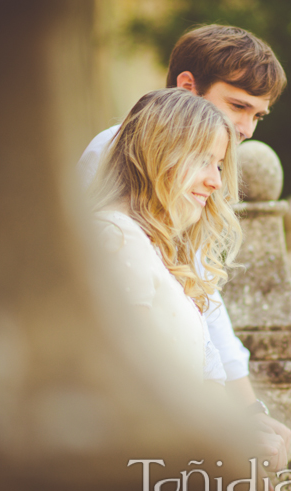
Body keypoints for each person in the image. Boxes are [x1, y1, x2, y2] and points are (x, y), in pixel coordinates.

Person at [79, 24, 291, 470]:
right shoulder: (115, 172)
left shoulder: (195, 187)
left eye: (258, 116)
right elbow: (118, 342)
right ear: (187, 86)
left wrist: (247, 413)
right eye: (238, 106)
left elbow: (198, 298)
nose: (247, 128)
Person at [88, 88, 240, 387]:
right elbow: (133, 382)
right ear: (157, 153)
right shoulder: (118, 237)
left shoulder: (153, 245)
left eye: (219, 165)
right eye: (202, 161)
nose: (216, 181)